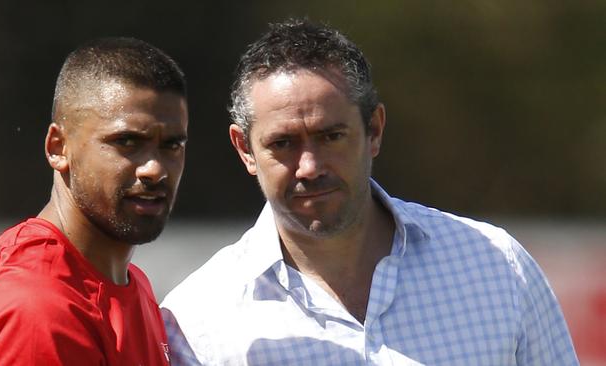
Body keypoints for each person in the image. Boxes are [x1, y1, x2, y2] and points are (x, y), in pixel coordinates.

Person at [160, 19, 578, 365]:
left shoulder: (494, 266)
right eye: (283, 143)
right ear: (245, 149)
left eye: (331, 136)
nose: (310, 166)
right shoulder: (197, 322)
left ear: (373, 130)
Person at [0, 37, 188, 365]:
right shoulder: (39, 311)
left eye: (172, 145)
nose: (155, 169)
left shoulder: (130, 284)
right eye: (126, 141)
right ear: (57, 147)